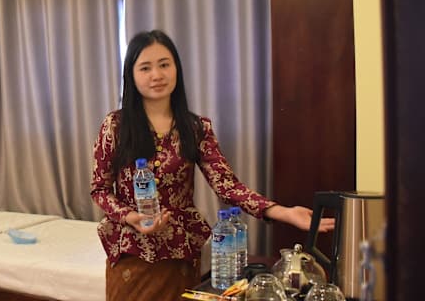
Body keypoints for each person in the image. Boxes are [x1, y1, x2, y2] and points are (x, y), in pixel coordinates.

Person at [90, 30, 334, 301]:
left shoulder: (196, 128)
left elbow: (227, 185)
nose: (156, 75)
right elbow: (100, 189)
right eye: (145, 68)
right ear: (131, 75)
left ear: (176, 68)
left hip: (181, 253)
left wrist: (282, 212)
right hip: (131, 252)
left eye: (164, 64)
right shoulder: (116, 126)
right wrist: (130, 217)